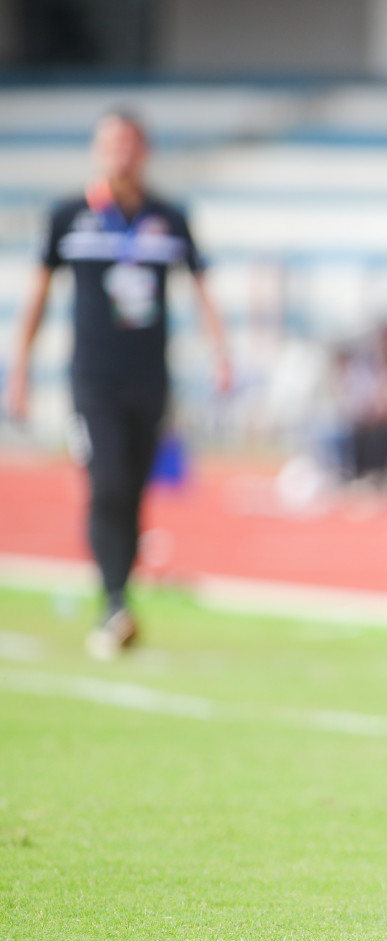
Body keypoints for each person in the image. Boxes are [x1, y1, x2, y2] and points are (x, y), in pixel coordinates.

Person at [4, 109, 231, 658]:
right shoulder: (69, 216)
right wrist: (21, 370)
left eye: (130, 143)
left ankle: (120, 597)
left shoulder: (169, 218)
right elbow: (38, 296)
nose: (121, 152)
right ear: (98, 149)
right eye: (112, 142)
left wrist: (221, 356)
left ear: (144, 150)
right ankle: (113, 604)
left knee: (131, 492)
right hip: (92, 380)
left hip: (150, 379)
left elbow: (201, 290)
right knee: (104, 484)